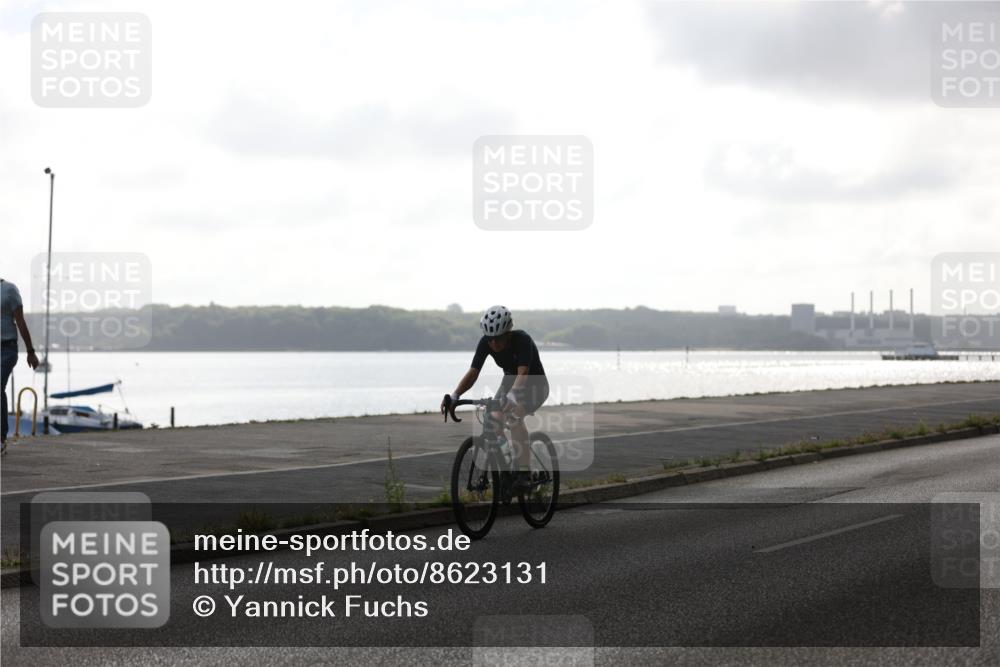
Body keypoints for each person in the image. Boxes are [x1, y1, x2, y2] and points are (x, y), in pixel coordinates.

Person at [440, 305, 549, 489]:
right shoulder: (486, 343)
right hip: (510, 381)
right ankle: (506, 465)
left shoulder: (522, 340)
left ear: (508, 333)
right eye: (490, 339)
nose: (494, 344)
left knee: (514, 418)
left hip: (535, 384)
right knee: (493, 418)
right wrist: (455, 395)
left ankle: (524, 473)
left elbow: (523, 373)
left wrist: (513, 398)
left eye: (498, 339)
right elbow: (473, 373)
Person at [1, 279, 40, 450]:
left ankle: (1, 438)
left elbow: (21, 321)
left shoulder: (9, 290)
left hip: (6, 349)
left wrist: (30, 351)